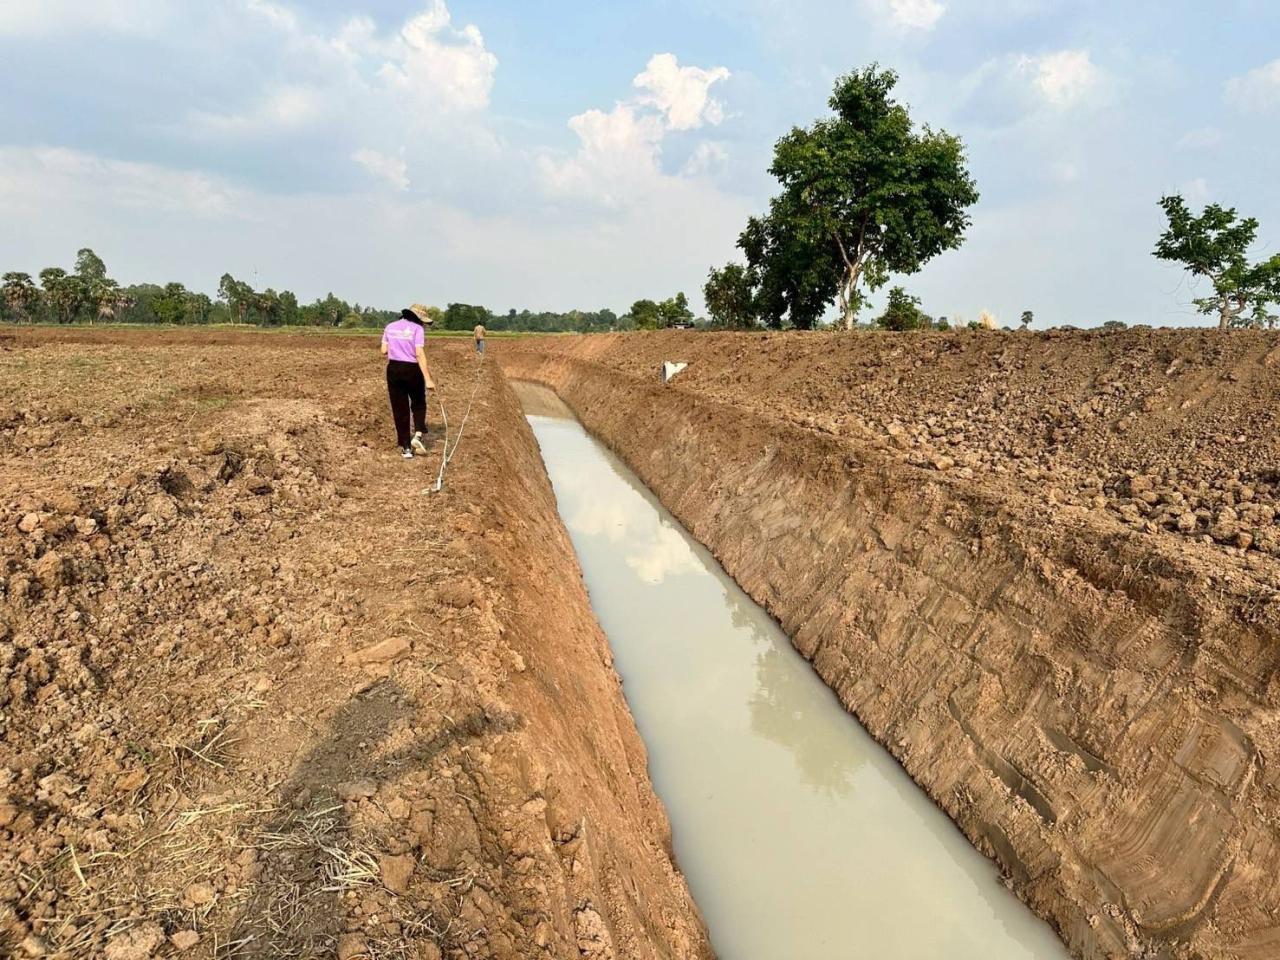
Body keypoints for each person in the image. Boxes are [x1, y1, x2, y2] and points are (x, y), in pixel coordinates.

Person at [381, 304, 437, 459]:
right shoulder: (418, 329)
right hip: (412, 369)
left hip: (393, 369)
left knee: (400, 408)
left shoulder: (390, 327)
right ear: (418, 318)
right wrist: (428, 379)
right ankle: (417, 436)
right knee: (418, 402)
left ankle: (406, 447)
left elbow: (383, 350)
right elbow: (419, 353)